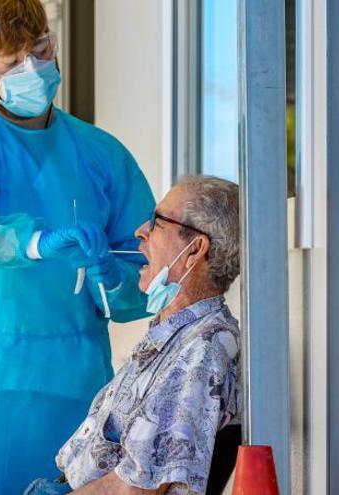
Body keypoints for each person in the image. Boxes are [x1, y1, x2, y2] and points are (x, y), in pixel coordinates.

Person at [0, 0, 156, 493]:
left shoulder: (102, 155)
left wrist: (116, 278)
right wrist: (33, 242)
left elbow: (149, 266)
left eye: (40, 51)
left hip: (73, 377)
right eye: (10, 63)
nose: (31, 70)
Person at [24, 176, 242, 495]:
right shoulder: (174, 335)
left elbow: (136, 489)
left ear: (195, 249)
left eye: (157, 222)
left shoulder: (203, 348)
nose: (140, 231)